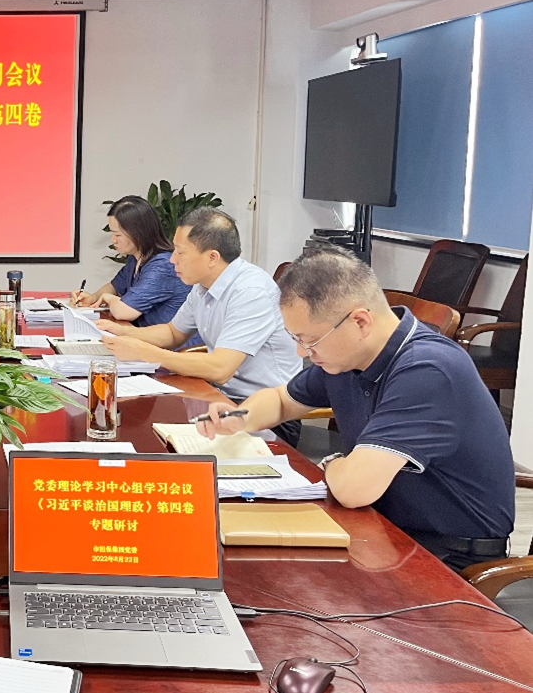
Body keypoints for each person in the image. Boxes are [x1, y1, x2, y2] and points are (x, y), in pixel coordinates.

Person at [196, 245, 516, 571]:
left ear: (360, 321)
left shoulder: (427, 370)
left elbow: (353, 490)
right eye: (296, 339)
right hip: (382, 531)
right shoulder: (349, 357)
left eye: (309, 340)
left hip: (449, 558)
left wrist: (332, 462)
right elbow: (281, 400)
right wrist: (239, 417)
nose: (301, 353)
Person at [98, 207, 301, 445]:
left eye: (180, 252)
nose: (172, 259)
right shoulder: (203, 285)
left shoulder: (250, 291)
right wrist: (127, 333)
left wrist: (145, 352)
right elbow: (173, 333)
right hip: (216, 398)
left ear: (212, 257)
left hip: (264, 415)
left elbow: (220, 369)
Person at [71, 195, 192, 328]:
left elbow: (123, 312)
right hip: (142, 335)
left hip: (167, 341)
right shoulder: (135, 259)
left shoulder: (163, 265)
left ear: (138, 232)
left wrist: (108, 298)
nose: (113, 240)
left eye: (117, 234)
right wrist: (94, 298)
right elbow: (114, 286)